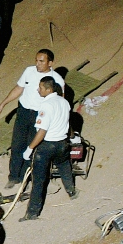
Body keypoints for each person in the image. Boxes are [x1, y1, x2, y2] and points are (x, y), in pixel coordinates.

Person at [0, 49, 64, 188]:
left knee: (31, 147)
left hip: (40, 116)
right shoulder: (29, 71)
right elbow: (19, 89)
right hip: (24, 112)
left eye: (41, 61)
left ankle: (24, 178)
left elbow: (60, 101)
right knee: (16, 145)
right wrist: (3, 103)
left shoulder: (56, 80)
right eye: (36, 60)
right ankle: (13, 176)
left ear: (50, 63)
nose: (38, 64)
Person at [20, 77, 77, 221]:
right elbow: (67, 121)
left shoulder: (46, 106)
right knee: (65, 167)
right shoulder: (64, 102)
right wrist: (72, 136)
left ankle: (32, 213)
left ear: (48, 89)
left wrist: (30, 148)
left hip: (47, 146)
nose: (38, 90)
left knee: (39, 180)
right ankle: (71, 191)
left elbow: (42, 131)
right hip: (62, 143)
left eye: (40, 88)